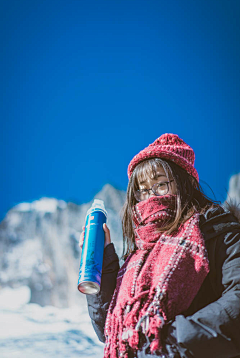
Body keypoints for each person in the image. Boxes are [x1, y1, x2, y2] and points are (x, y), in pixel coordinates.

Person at [79, 133, 240, 358]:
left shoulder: (218, 232)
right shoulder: (137, 257)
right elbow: (109, 331)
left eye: (160, 184)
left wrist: (170, 342)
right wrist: (104, 266)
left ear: (185, 184)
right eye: (142, 189)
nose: (150, 197)